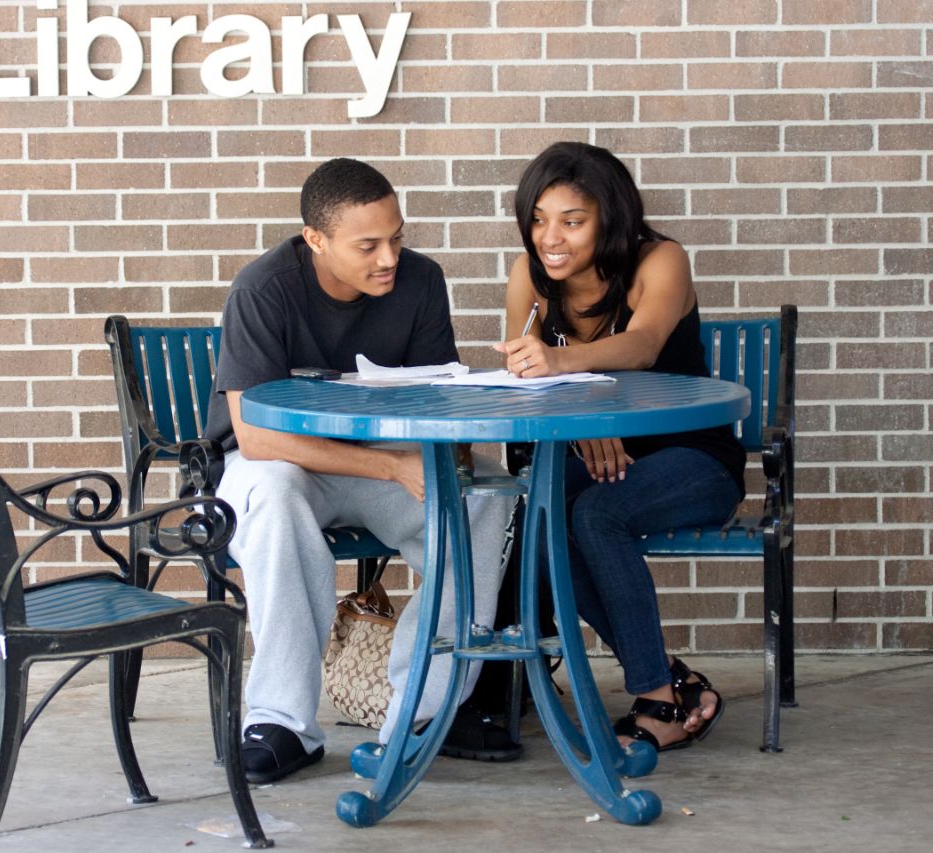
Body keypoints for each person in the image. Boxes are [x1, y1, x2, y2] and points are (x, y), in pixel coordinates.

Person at [204, 158, 519, 784]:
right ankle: (282, 721)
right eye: (368, 244)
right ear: (316, 240)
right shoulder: (263, 289)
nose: (389, 257)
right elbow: (257, 436)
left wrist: (451, 449)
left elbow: (436, 392)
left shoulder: (421, 280)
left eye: (396, 237)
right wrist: (390, 465)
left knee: (487, 497)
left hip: (383, 465)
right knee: (273, 495)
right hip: (276, 463)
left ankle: (421, 712)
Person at [495, 142, 744, 752]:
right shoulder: (530, 276)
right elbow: (520, 377)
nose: (551, 237)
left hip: (695, 460)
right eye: (538, 219)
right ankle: (675, 682)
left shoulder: (660, 259)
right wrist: (580, 411)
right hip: (605, 459)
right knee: (542, 516)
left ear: (611, 218)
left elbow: (644, 344)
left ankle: (658, 695)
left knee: (595, 515)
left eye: (572, 222)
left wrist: (561, 367)